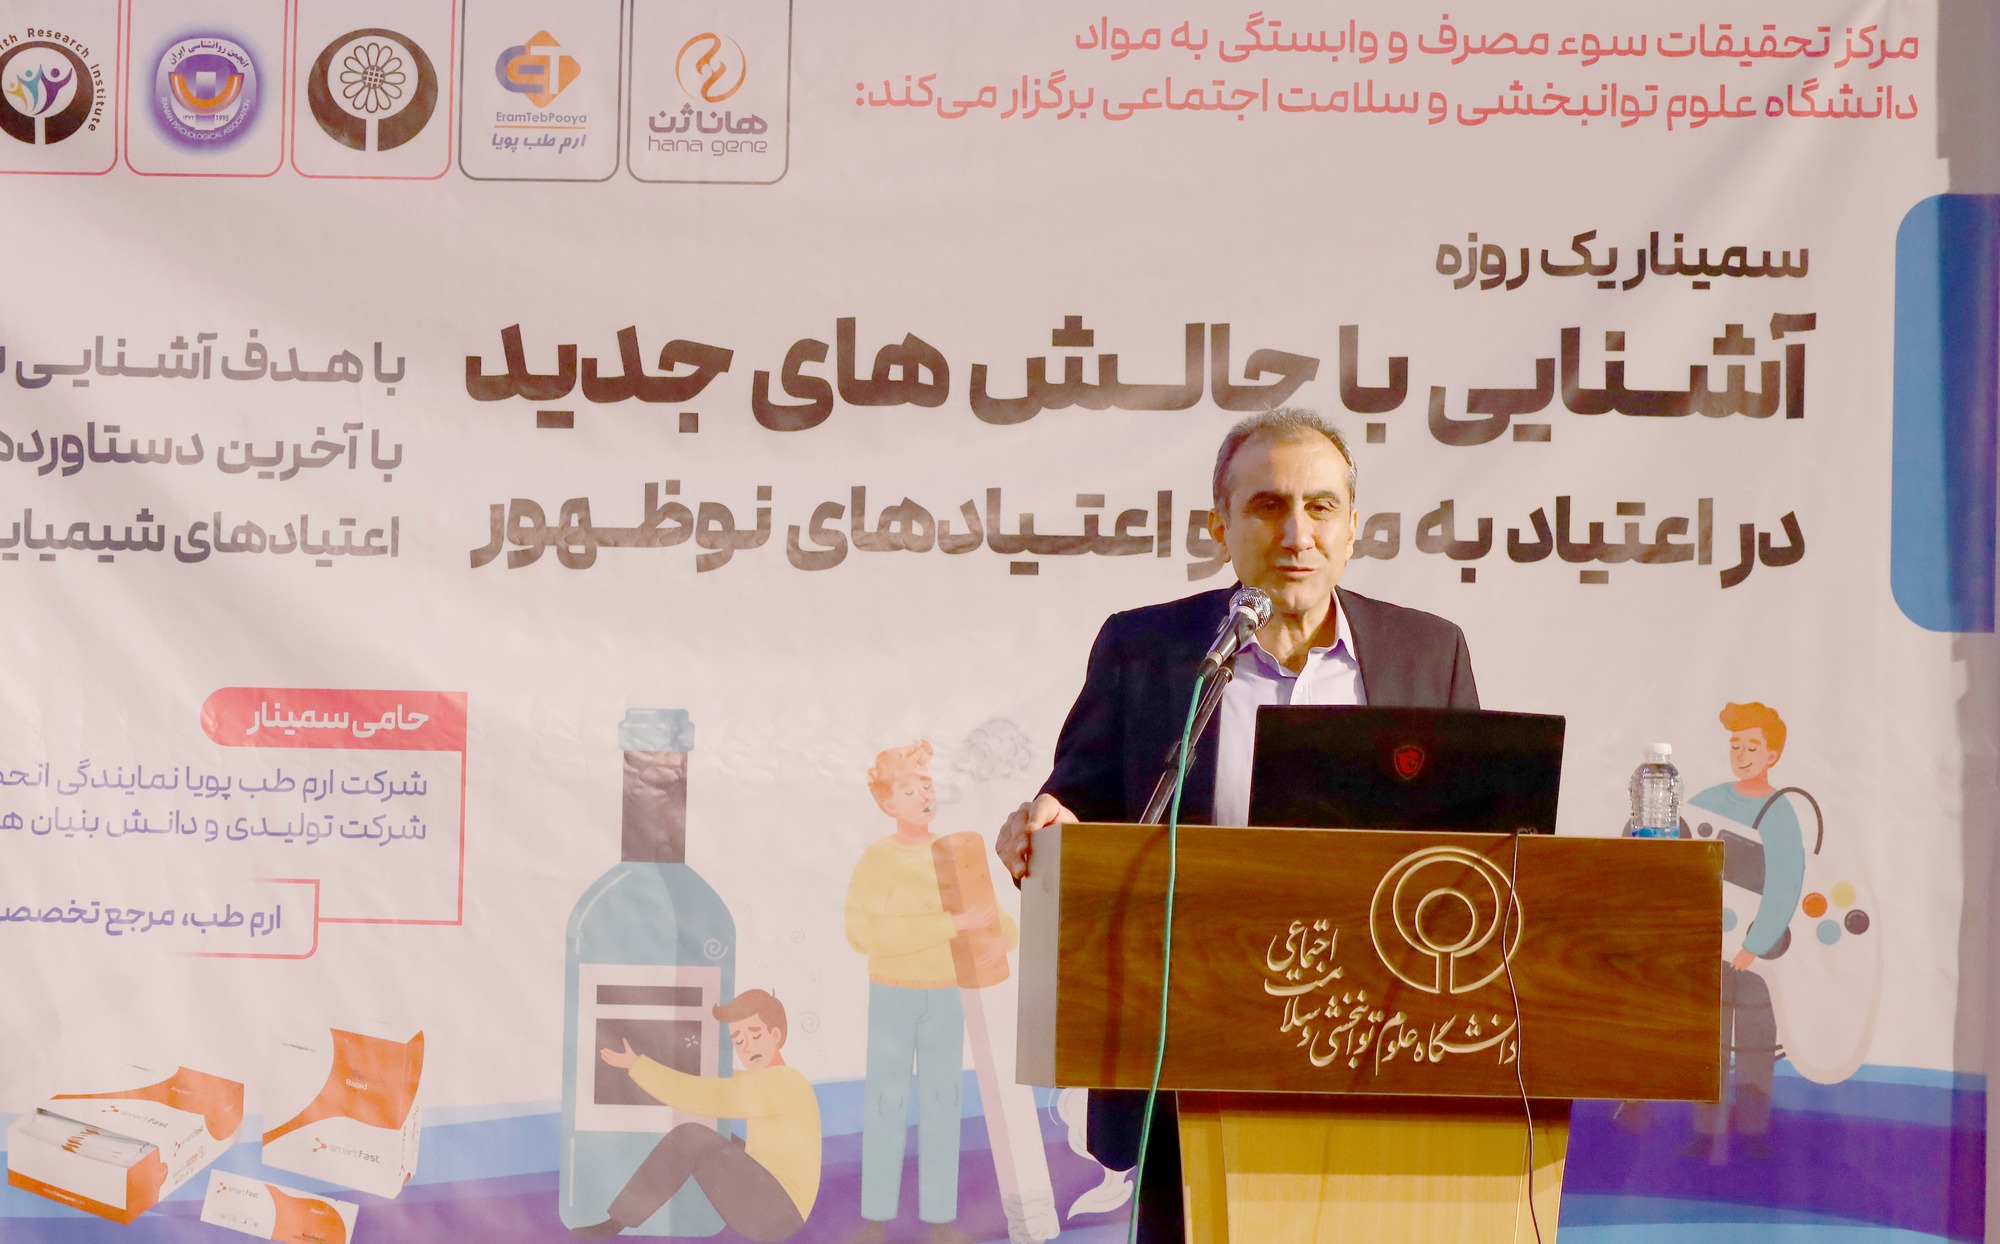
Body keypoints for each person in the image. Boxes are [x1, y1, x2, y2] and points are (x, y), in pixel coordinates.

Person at [993, 407, 1479, 1242]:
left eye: (1321, 507)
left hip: (1378, 1051)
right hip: (1188, 1056)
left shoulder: (1428, 653)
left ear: (1354, 526)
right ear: (1219, 525)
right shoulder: (1148, 650)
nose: (1297, 534)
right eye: (1267, 506)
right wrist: (1043, 823)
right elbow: (1078, 802)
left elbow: (1473, 845)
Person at [844, 741, 1011, 1244]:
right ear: (887, 803)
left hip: (946, 996)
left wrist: (998, 932)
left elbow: (993, 918)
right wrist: (950, 924)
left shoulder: (955, 852)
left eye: (927, 784)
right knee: (886, 1102)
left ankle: (941, 1220)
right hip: (892, 995)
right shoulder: (878, 860)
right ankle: (875, 1219)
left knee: (943, 1103)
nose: (923, 795)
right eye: (909, 789)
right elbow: (862, 934)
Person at [577, 989, 820, 1241]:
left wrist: (636, 1065)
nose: (747, 1047)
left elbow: (703, 1094)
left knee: (690, 1137)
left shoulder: (783, 1082)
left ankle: (615, 1224)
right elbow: (717, 1077)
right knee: (718, 1137)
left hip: (778, 1214)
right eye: (738, 1041)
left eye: (755, 1035)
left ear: (775, 1035)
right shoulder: (772, 1080)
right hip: (776, 1202)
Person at [1684, 700, 1803, 1161]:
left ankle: (1753, 1131)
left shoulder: (1780, 813)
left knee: (1755, 1040)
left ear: (1772, 754)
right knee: (1707, 1040)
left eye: (1752, 746)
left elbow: (1786, 887)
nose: (1742, 754)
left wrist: (1753, 947)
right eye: (1736, 745)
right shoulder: (1709, 801)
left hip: (1760, 955)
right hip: (1707, 946)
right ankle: (1704, 1129)